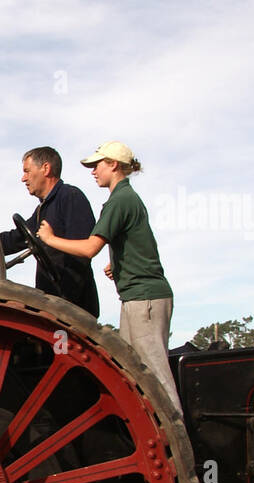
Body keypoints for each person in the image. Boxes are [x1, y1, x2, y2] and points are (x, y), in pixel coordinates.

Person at [37, 141, 180, 410]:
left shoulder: (121, 200)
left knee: (156, 380)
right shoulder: (124, 199)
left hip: (144, 298)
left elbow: (90, 248)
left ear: (113, 165)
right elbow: (140, 241)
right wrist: (119, 262)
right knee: (132, 373)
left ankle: (179, 441)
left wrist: (50, 238)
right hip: (135, 296)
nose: (93, 171)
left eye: (97, 165)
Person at [0, 147, 100, 318]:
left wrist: (61, 306)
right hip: (52, 306)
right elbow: (17, 238)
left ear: (45, 168)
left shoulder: (70, 197)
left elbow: (81, 255)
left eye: (27, 171)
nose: (23, 178)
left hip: (71, 311)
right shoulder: (42, 210)